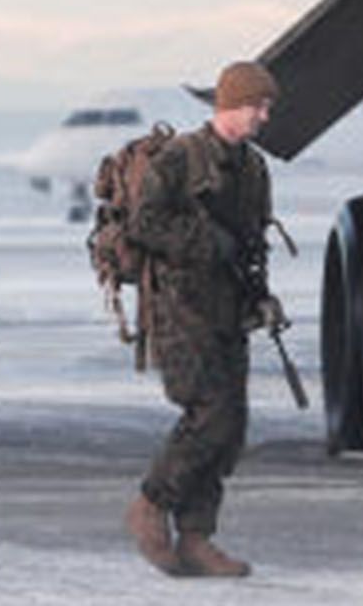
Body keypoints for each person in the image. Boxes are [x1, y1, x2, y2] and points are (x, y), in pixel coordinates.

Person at [120, 60, 281, 578]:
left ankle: (196, 537)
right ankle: (152, 502)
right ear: (231, 105)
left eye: (266, 107)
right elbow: (144, 223)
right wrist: (204, 241)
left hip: (230, 308)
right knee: (209, 414)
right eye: (257, 106)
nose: (264, 116)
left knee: (230, 427)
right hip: (182, 307)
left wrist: (261, 296)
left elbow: (254, 242)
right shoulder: (181, 159)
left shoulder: (253, 168)